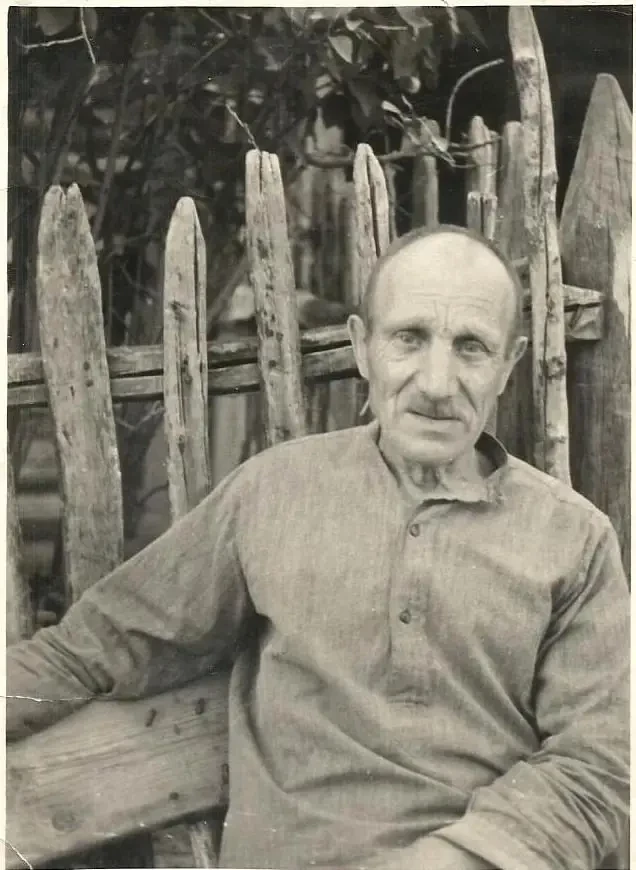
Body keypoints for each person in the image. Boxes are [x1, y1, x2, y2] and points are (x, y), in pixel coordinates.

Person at [7, 226, 629, 870]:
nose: (437, 383)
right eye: (409, 338)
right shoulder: (273, 493)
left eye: (471, 347)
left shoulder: (573, 541)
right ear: (362, 347)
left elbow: (597, 765)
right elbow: (99, 645)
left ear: (510, 364)